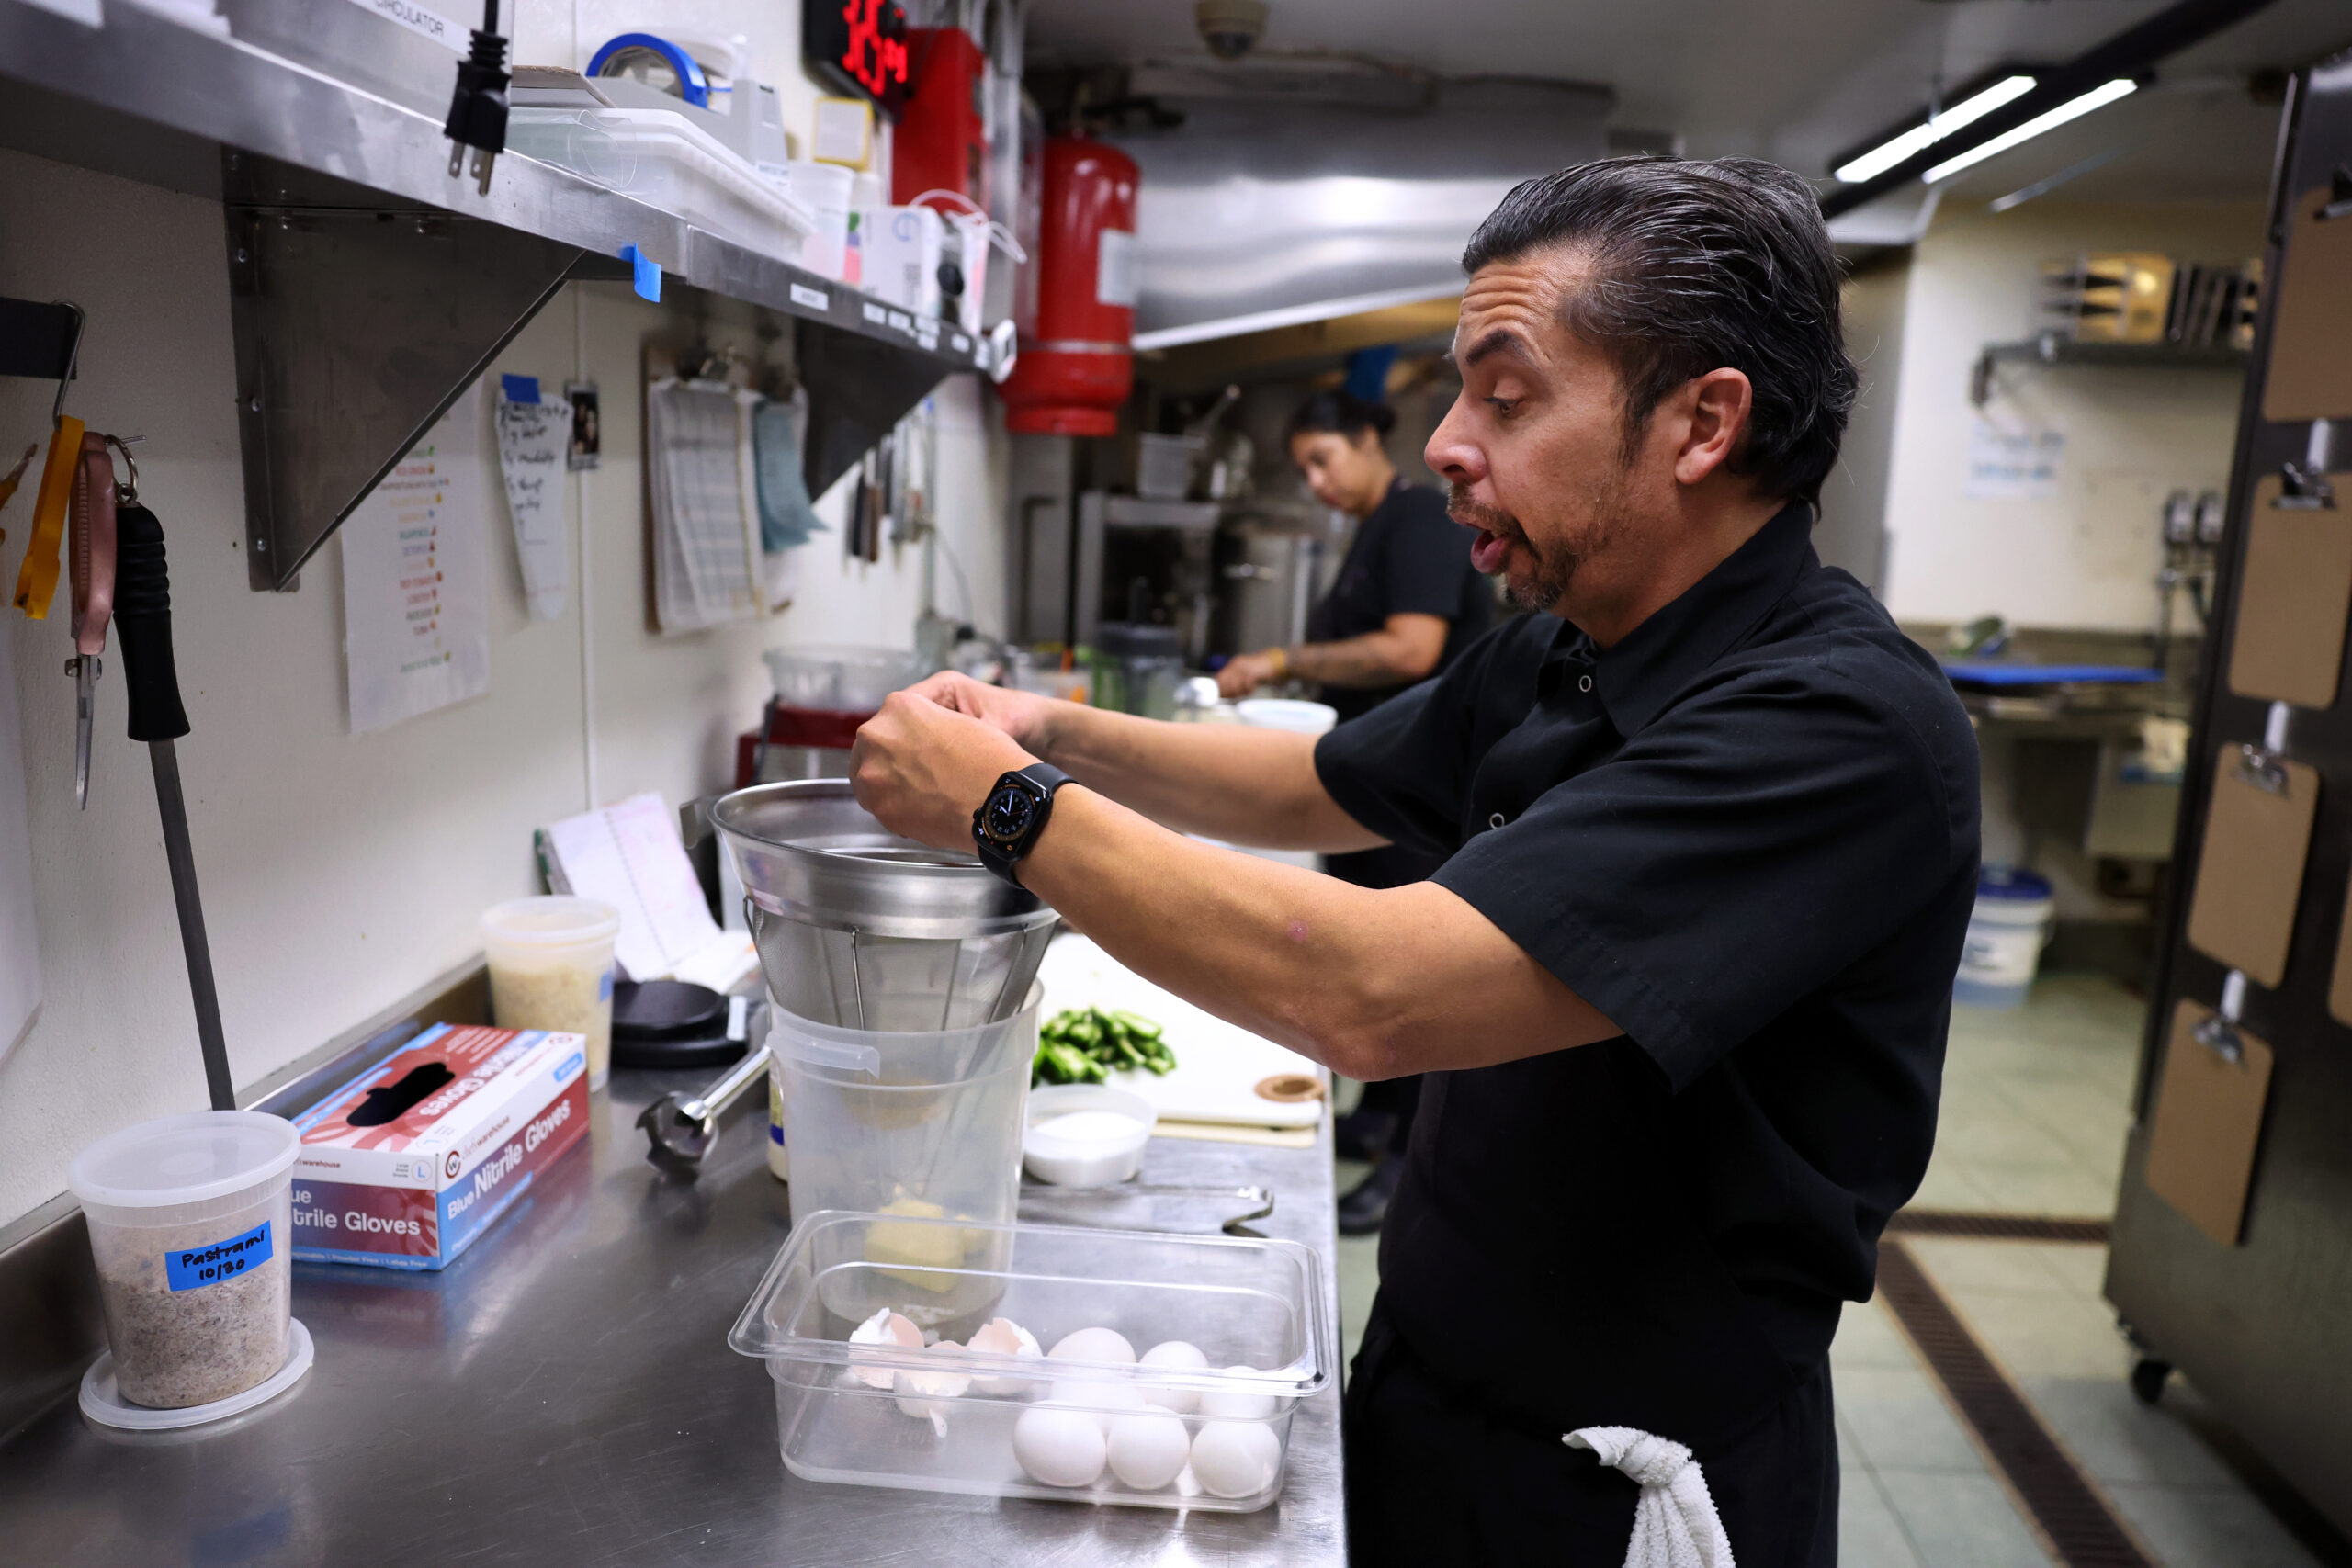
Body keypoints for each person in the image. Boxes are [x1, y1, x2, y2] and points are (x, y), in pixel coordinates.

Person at [849, 157, 1979, 1566]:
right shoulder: (1577, 641)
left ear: (1704, 420)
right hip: (1433, 1387)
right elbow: (1319, 778)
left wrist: (1010, 811)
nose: (1448, 441)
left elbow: (1367, 992)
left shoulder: (1838, 728)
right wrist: (1052, 726)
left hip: (1606, 1483)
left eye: (1506, 397)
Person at [1221, 389, 1493, 1235]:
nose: (1314, 480)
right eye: (1303, 466)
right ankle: (1376, 1119)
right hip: (1381, 785)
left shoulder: (1418, 518)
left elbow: (1410, 649)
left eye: (1323, 458)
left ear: (1370, 439)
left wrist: (1278, 659)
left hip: (1422, 796)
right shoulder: (1378, 525)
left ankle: (1408, 1161)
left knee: (1409, 977)